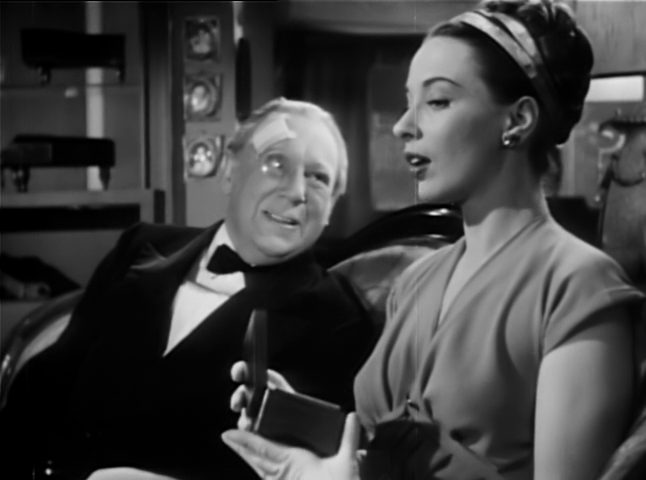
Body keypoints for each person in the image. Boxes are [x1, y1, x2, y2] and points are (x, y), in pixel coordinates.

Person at [223, 1, 646, 479]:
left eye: (438, 101)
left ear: (517, 120)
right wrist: (307, 433)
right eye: (409, 101)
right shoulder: (415, 281)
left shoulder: (579, 289)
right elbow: (387, 448)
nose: (404, 125)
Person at [0, 98, 378, 479]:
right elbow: (47, 378)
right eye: (276, 163)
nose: (297, 190)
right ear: (230, 172)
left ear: (331, 207)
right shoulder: (142, 245)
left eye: (318, 178)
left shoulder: (338, 318)